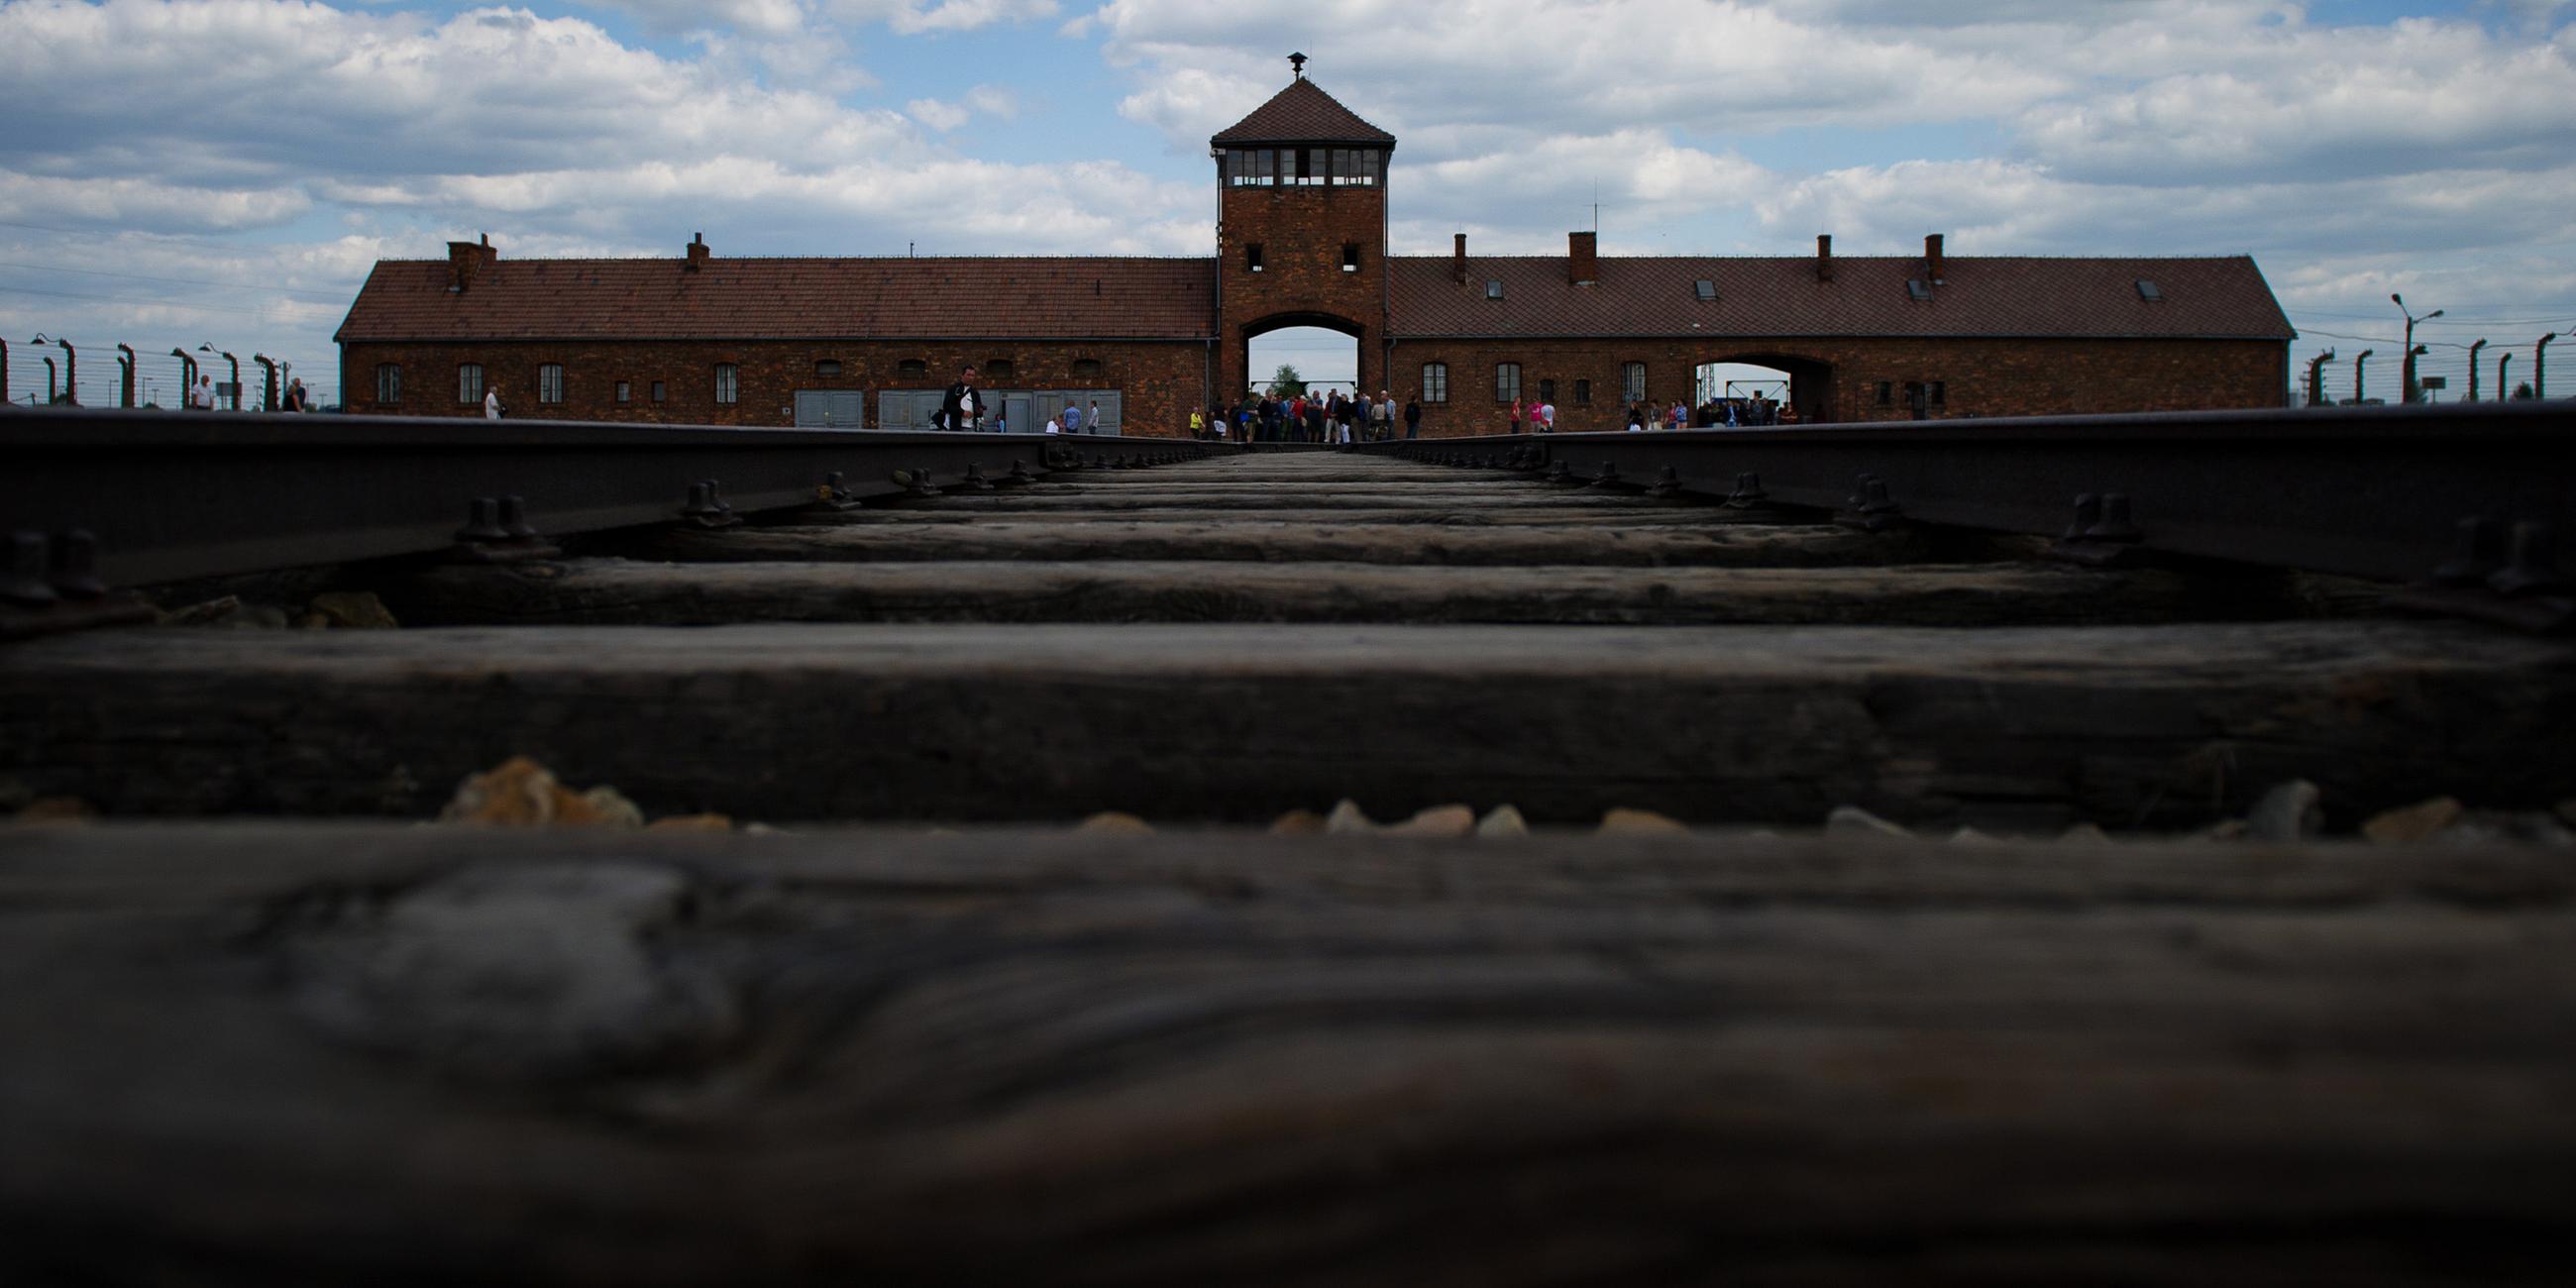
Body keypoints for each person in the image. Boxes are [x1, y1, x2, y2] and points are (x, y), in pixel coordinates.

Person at [938, 365, 982, 432]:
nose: (970, 378)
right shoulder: (954, 389)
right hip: (955, 427)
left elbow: (978, 407)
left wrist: (979, 412)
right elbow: (947, 406)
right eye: (968, 375)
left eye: (972, 375)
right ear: (962, 375)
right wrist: (962, 412)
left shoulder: (975, 392)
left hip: (971, 427)